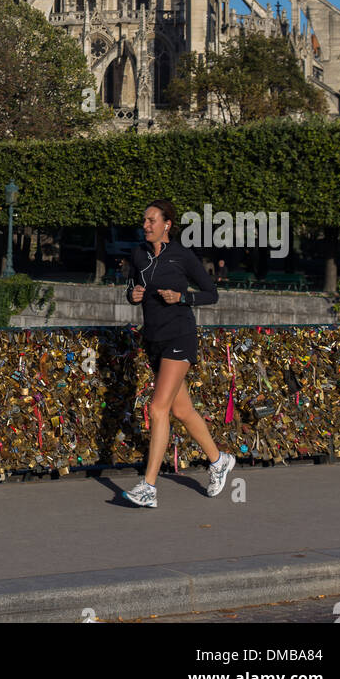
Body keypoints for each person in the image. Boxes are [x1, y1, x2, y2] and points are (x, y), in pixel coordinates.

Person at [122, 199, 234, 507]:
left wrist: (182, 297)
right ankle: (218, 459)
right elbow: (132, 289)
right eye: (144, 220)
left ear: (167, 224)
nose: (145, 225)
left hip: (180, 336)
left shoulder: (182, 256)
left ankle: (148, 486)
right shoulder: (138, 254)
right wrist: (132, 296)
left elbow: (212, 294)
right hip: (155, 339)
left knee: (158, 409)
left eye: (151, 220)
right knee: (182, 411)